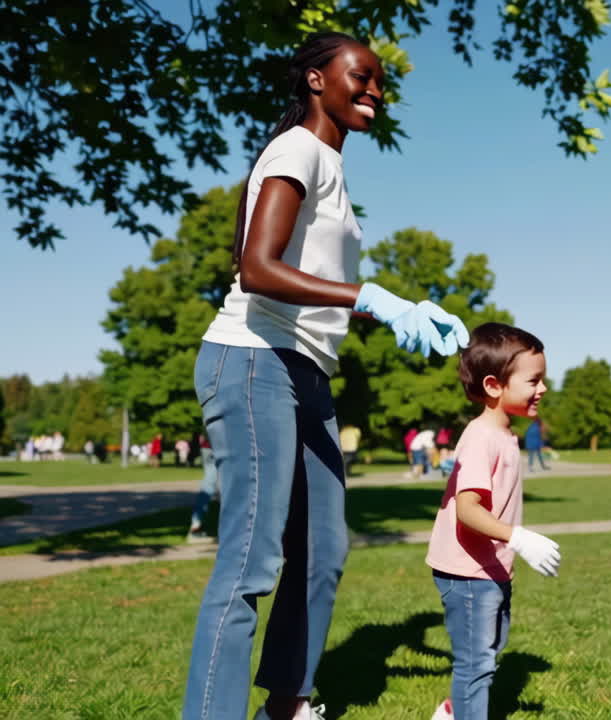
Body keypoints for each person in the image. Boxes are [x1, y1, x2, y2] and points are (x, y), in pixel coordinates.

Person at [182, 32, 469, 720]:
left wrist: (387, 309)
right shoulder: (297, 150)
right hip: (253, 360)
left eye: (379, 80)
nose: (375, 89)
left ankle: (287, 704)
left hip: (307, 373)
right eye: (360, 76)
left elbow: (312, 280)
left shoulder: (333, 170)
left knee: (323, 550)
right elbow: (257, 269)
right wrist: (369, 296)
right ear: (316, 80)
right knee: (251, 558)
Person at [427, 323, 561, 720]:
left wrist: (510, 549)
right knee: (476, 663)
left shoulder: (504, 434)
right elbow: (467, 511)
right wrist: (518, 537)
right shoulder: (481, 436)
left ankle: (453, 709)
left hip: (492, 568)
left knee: (492, 647)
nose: (543, 389)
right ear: (494, 385)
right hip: (467, 572)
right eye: (534, 381)